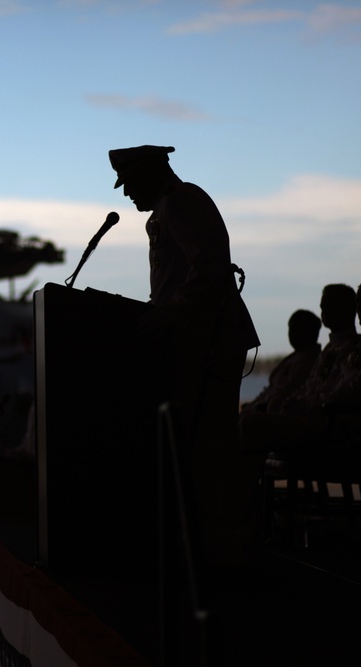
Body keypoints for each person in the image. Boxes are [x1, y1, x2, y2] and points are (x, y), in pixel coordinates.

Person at [109, 144, 260, 566]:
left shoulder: (180, 203)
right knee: (198, 448)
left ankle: (218, 549)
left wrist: (169, 313)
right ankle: (205, 545)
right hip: (195, 341)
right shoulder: (172, 206)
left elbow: (209, 271)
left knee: (208, 448)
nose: (126, 195)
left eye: (130, 184)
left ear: (151, 174)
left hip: (207, 343)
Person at [240, 278, 361, 453]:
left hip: (337, 427)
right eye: (358, 302)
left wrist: (307, 405)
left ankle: (243, 480)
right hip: (331, 419)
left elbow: (355, 390)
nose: (359, 309)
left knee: (250, 424)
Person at [280, 283, 361, 415]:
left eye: (330, 305)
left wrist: (300, 404)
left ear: (345, 309)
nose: (323, 309)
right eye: (323, 306)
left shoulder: (352, 350)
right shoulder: (331, 348)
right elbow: (311, 384)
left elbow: (334, 391)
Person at [242, 310, 321, 414]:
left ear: (309, 331)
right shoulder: (295, 358)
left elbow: (288, 390)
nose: (291, 333)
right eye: (290, 328)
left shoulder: (312, 362)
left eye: (296, 328)